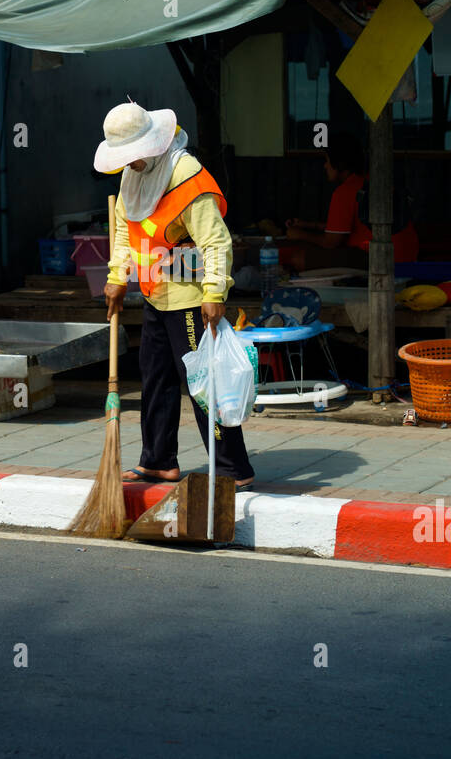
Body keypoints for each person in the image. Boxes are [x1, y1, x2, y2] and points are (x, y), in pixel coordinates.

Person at [95, 101, 254, 488]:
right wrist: (117, 275)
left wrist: (215, 292)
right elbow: (124, 228)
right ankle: (158, 460)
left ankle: (233, 467)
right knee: (154, 379)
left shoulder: (187, 175)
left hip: (189, 301)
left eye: (132, 156)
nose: (128, 163)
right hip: (154, 295)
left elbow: (216, 241)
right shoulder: (133, 176)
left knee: (202, 384)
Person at [285, 131, 418, 267]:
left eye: (327, 160)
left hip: (379, 258)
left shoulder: (345, 191)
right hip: (408, 255)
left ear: (339, 163)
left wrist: (300, 235)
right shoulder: (373, 181)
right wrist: (307, 225)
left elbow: (330, 242)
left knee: (299, 258)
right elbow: (344, 229)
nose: (325, 166)